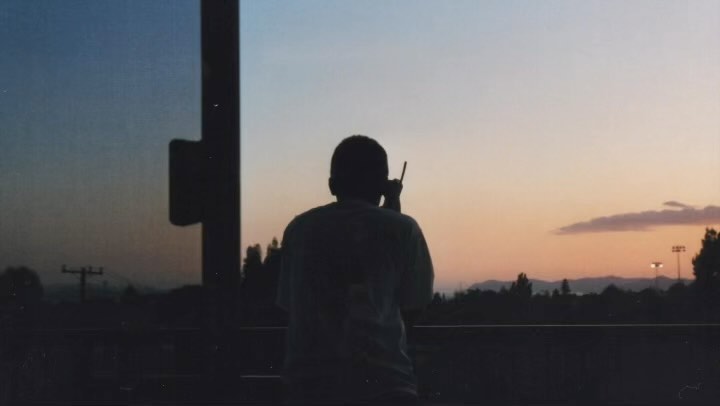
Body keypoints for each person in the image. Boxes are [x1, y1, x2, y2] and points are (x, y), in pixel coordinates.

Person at [277, 135, 434, 405]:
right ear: (383, 184)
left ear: (331, 185)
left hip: (308, 386)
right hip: (387, 386)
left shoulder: (299, 229)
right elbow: (413, 304)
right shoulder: (404, 229)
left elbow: (287, 305)